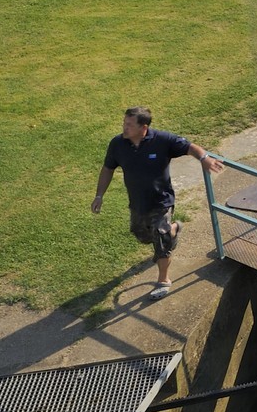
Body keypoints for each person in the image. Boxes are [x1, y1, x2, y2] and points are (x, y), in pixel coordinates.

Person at [92, 106, 223, 300]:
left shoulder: (162, 140)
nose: (124, 128)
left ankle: (164, 280)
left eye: (129, 124)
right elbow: (108, 169)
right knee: (142, 236)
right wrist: (99, 195)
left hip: (161, 201)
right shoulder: (118, 144)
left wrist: (203, 158)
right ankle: (174, 229)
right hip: (138, 203)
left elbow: (190, 147)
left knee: (160, 240)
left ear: (143, 127)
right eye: (124, 123)